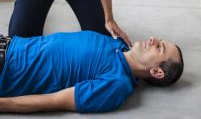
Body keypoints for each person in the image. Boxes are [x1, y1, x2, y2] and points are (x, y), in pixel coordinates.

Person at [0, 31, 184, 113]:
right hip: (9, 42)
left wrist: (3, 105)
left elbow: (53, 101)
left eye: (159, 47)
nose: (152, 39)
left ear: (156, 72)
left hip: (6, 67)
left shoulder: (116, 84)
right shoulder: (119, 44)